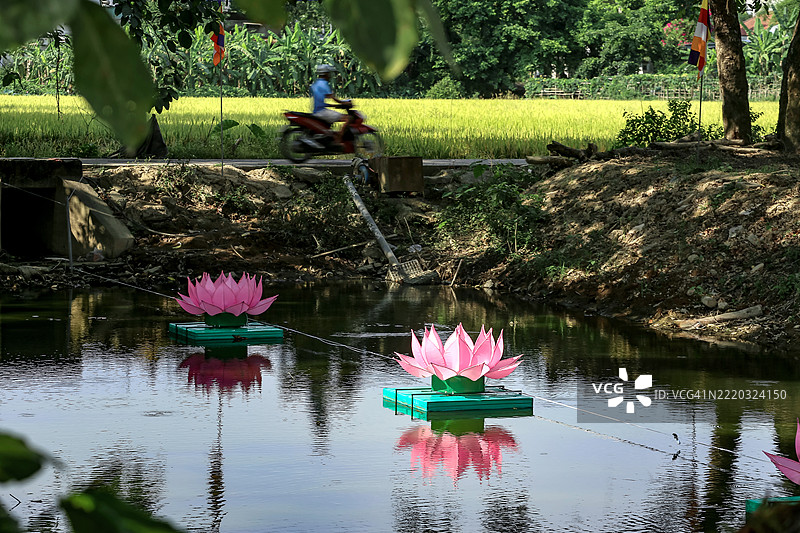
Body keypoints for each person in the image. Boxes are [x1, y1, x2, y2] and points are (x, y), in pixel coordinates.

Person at [309, 64, 350, 146]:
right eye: (329, 73)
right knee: (348, 118)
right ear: (325, 74)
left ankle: (330, 136)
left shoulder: (315, 84)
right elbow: (332, 98)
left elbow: (319, 99)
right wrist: (343, 103)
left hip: (317, 110)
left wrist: (331, 105)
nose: (330, 76)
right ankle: (338, 139)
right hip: (322, 112)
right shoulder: (324, 84)